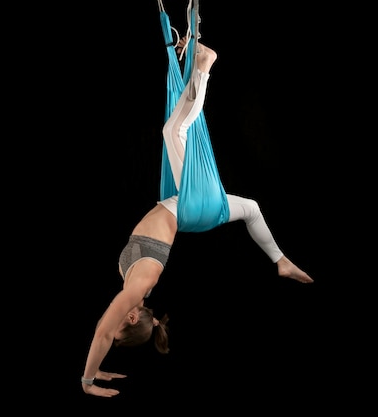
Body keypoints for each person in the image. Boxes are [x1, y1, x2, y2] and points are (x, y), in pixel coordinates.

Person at [80, 37, 314, 398]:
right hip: (192, 208)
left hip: (181, 203)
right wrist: (88, 382)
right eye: (119, 324)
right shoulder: (137, 289)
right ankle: (204, 65)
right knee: (174, 131)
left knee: (250, 208)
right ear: (129, 318)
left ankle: (281, 261)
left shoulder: (133, 284)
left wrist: (103, 366)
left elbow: (108, 333)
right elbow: (102, 333)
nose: (109, 318)